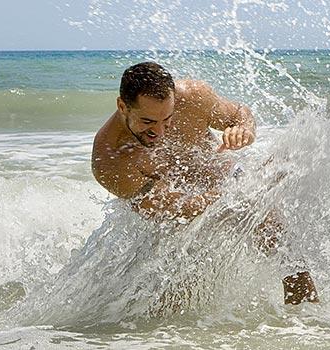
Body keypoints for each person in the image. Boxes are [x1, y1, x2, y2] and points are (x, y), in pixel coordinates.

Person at [91, 61, 318, 305]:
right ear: (123, 106)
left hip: (222, 177)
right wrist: (226, 195)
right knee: (172, 302)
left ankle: (306, 319)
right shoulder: (110, 159)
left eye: (167, 119)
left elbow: (238, 113)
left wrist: (243, 130)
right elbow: (171, 211)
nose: (160, 131)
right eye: (147, 122)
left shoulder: (192, 97)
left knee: (270, 224)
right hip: (172, 217)